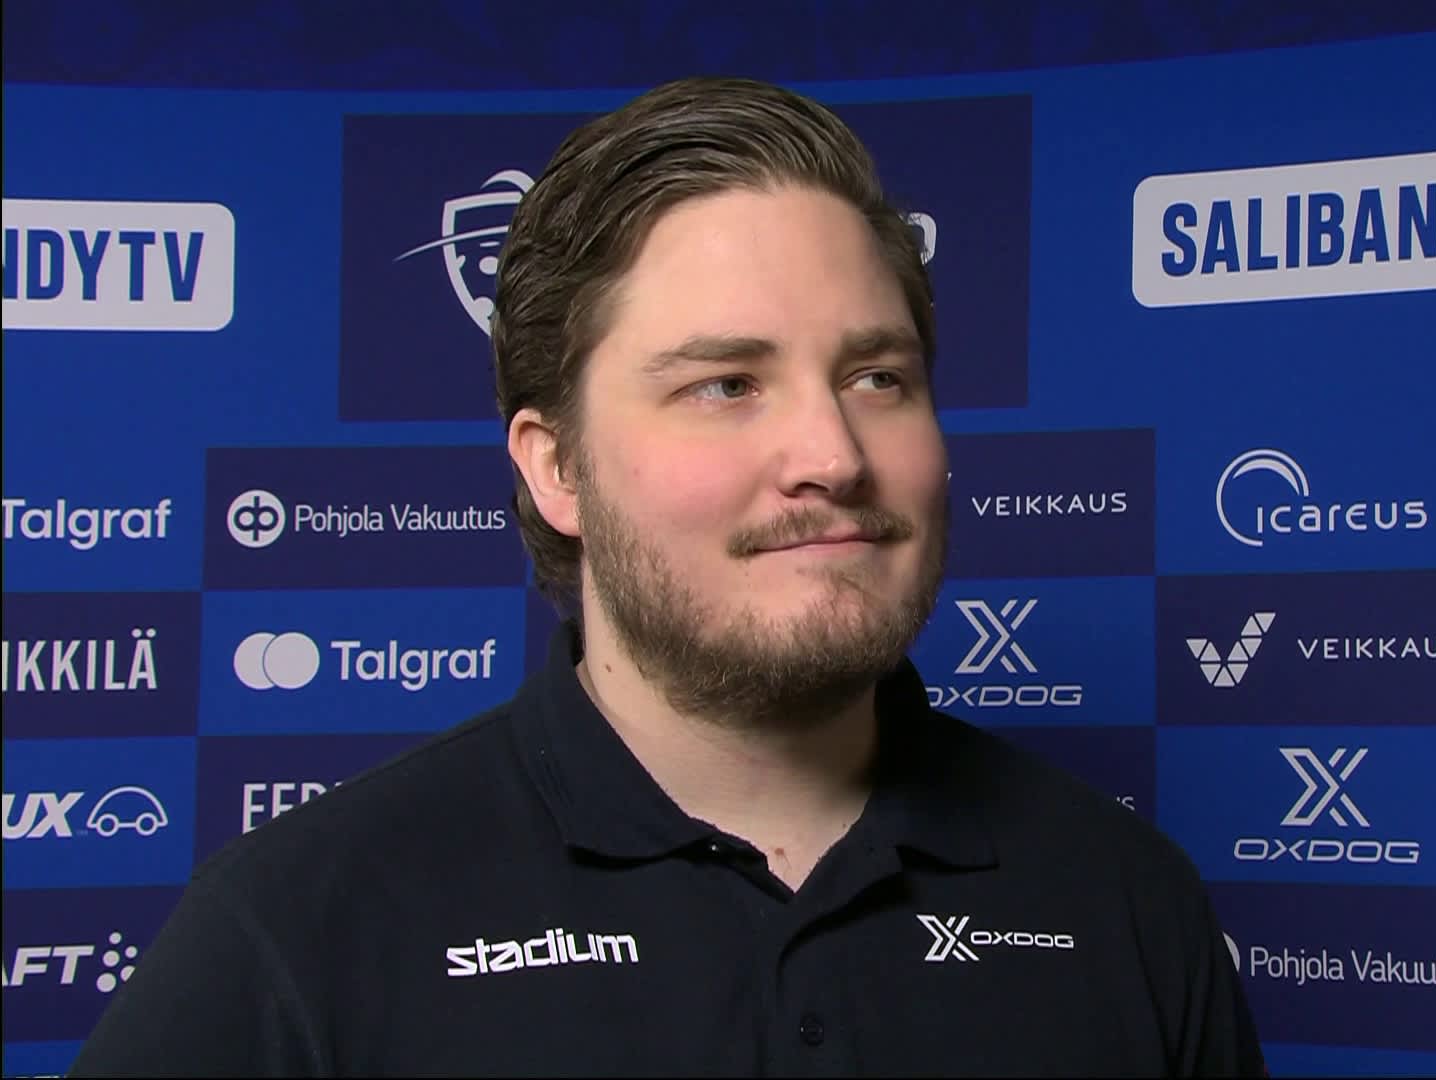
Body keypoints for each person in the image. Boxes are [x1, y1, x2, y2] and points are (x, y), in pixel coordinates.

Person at [69, 76, 1266, 1077]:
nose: (833, 455)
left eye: (878, 378)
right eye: (725, 384)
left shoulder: (1124, 901)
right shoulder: (299, 930)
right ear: (557, 469)